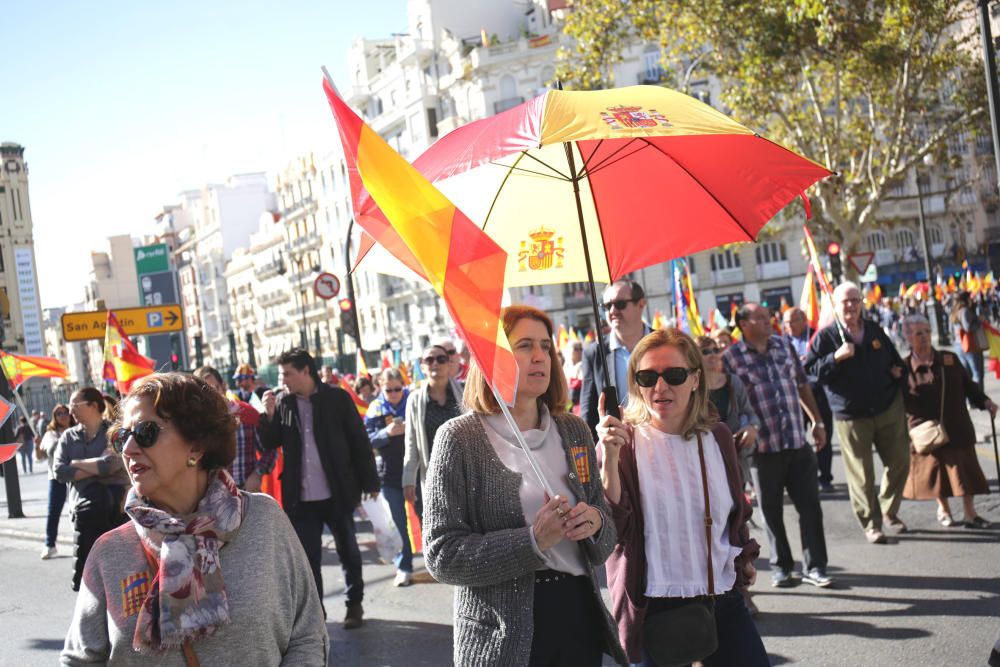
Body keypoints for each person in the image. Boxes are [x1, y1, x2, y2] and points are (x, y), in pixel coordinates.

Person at [61, 373, 327, 665]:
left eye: (146, 432)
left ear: (197, 445)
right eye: (123, 436)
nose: (128, 449)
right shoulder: (110, 551)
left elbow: (308, 635)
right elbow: (79, 660)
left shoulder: (264, 520)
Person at [423, 305, 627, 666]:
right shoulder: (459, 439)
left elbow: (605, 529)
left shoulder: (574, 430)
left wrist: (594, 522)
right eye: (525, 346)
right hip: (503, 634)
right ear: (492, 357)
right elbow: (442, 555)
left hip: (578, 616)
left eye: (546, 346)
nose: (540, 357)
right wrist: (532, 542)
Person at [599, 328, 767, 666]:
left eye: (674, 375)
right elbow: (612, 527)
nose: (660, 387)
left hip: (720, 596)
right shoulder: (624, 443)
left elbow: (735, 510)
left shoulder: (717, 436)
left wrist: (743, 556)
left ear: (695, 379)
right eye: (647, 377)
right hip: (653, 604)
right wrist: (610, 457)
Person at [259, 348, 380, 629]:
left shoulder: (337, 399)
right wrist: (268, 415)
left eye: (288, 373)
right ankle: (316, 614)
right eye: (282, 375)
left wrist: (370, 481)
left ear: (305, 371)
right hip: (301, 499)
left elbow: (358, 441)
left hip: (337, 491)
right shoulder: (283, 403)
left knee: (348, 550)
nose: (284, 379)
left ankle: (354, 604)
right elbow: (270, 441)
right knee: (308, 559)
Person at [727, 302, 832, 588]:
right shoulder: (731, 358)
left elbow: (801, 385)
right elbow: (730, 402)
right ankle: (782, 567)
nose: (768, 321)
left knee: (810, 508)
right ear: (743, 324)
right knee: (771, 513)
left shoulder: (784, 346)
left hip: (797, 441)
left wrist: (818, 422)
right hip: (763, 451)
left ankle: (816, 567)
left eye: (767, 315)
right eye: (759, 317)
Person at [806, 282, 910, 545]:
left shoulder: (874, 329)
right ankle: (871, 523)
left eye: (855, 300)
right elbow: (809, 373)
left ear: (862, 302)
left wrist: (898, 372)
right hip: (851, 415)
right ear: (836, 305)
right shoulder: (826, 337)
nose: (851, 305)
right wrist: (835, 358)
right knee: (862, 475)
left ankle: (888, 508)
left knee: (900, 461)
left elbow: (894, 359)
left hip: (887, 407)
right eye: (845, 301)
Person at [900, 314, 995, 528]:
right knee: (935, 473)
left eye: (926, 332)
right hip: (924, 430)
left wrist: (986, 402)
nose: (924, 337)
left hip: (956, 424)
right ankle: (943, 509)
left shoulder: (948, 358)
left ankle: (970, 513)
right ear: (908, 338)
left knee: (965, 472)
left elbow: (969, 386)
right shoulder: (903, 367)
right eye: (918, 333)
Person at [54, 388, 125, 592]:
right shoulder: (68, 437)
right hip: (82, 512)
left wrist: (76, 463)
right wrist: (96, 468)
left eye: (75, 405)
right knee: (88, 579)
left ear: (94, 406)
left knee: (116, 572)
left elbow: (113, 464)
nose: (70, 410)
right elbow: (59, 471)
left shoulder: (113, 431)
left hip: (114, 510)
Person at [581, 280, 651, 434]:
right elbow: (588, 413)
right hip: (618, 447)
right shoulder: (594, 353)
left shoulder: (664, 344)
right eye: (606, 306)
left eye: (620, 304)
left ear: (641, 304)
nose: (612, 311)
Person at [364, 368, 413, 587]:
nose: (394, 394)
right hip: (389, 475)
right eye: (389, 389)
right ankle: (404, 567)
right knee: (399, 523)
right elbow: (367, 441)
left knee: (426, 519)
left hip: (415, 471)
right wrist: (387, 433)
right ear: (380, 388)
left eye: (397, 389)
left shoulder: (413, 400)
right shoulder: (374, 409)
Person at [402, 343, 464, 513]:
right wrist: (408, 480)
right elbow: (411, 442)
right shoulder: (414, 400)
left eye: (441, 359)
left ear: (449, 363)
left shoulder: (465, 392)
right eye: (429, 360)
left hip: (466, 475)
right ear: (422, 366)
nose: (435, 363)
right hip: (433, 478)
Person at [194, 365, 277, 492]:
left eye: (214, 388)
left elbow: (270, 448)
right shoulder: (195, 423)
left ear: (223, 386)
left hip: (245, 491)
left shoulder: (246, 413)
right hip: (211, 494)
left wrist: (257, 474)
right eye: (204, 391)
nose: (211, 395)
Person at [783, 306, 836, 492]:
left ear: (804, 320)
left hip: (818, 394)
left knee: (823, 435)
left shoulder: (818, 336)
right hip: (794, 399)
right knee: (799, 438)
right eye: (786, 322)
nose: (789, 326)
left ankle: (825, 477)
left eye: (793, 321)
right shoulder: (781, 343)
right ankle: (806, 477)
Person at [697, 336, 759, 490]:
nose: (712, 354)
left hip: (734, 456)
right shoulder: (692, 387)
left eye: (715, 350)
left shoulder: (733, 382)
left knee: (738, 506)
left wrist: (752, 427)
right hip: (704, 459)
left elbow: (750, 412)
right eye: (705, 351)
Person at [38, 404, 74, 559]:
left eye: (66, 412)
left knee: (77, 511)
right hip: (57, 477)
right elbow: (42, 455)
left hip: (76, 475)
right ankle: (49, 544)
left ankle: (82, 541)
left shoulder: (78, 430)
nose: (63, 415)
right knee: (53, 512)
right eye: (59, 413)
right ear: (55, 417)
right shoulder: (50, 434)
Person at [950, 291, 986, 389]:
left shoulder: (954, 311)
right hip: (970, 346)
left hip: (959, 345)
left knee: (967, 374)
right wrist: (979, 321)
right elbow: (968, 328)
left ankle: (970, 400)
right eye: (970, 297)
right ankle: (980, 400)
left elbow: (951, 331)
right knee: (977, 373)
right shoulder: (964, 310)